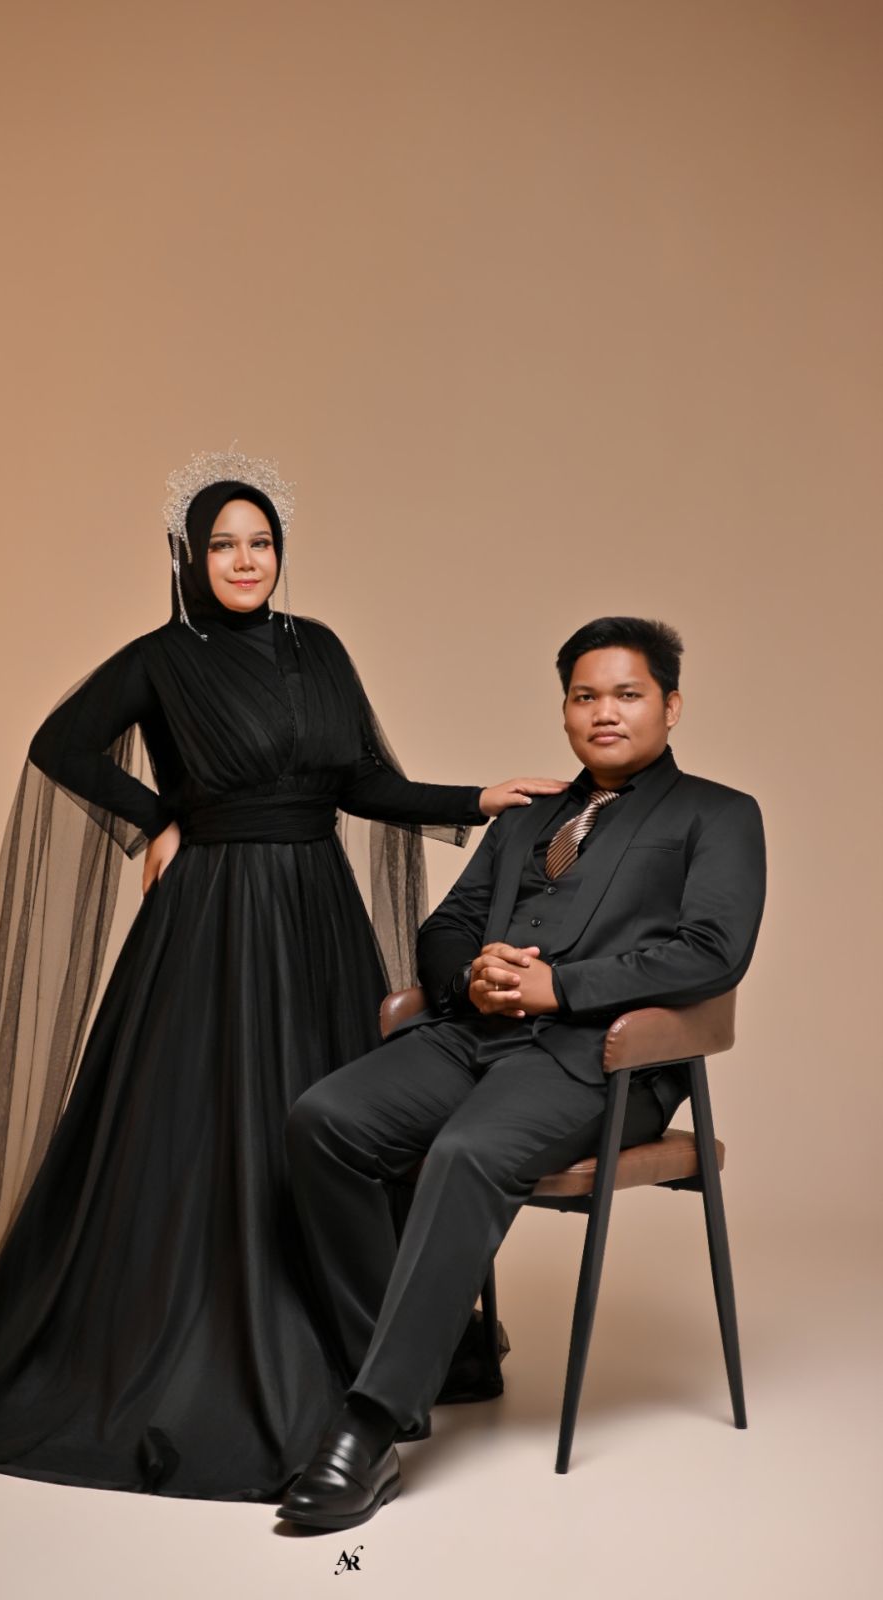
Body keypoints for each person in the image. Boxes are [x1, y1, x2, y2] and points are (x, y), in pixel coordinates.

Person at [0, 449, 565, 1500]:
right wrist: (155, 819)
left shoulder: (319, 648)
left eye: (261, 543)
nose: (246, 560)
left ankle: (364, 1349)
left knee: (330, 1118)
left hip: (317, 913)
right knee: (206, 1126)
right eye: (224, 544)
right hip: (214, 919)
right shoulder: (162, 658)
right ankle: (209, 1340)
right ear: (190, 557)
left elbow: (363, 784)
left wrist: (476, 798)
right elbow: (61, 743)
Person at [280, 615, 767, 1530]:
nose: (604, 713)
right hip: (471, 1036)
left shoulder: (719, 813)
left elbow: (712, 952)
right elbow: (446, 925)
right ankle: (419, 1359)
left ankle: (368, 1424)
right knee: (325, 1122)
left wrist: (560, 987)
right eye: (586, 696)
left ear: (670, 706)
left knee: (466, 1152)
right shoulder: (528, 817)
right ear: (566, 709)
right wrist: (473, 975)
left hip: (598, 1061)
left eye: (627, 695)